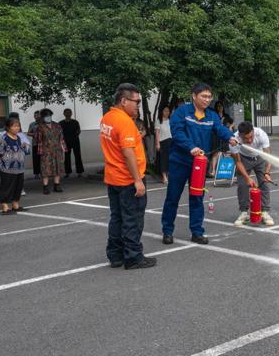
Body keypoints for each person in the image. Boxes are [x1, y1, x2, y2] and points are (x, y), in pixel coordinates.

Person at [161, 84, 237, 245]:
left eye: (209, 97)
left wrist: (230, 137)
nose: (207, 100)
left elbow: (219, 129)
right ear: (194, 96)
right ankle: (167, 231)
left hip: (200, 164)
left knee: (197, 197)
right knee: (172, 197)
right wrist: (191, 147)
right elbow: (177, 132)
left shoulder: (212, 115)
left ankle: (197, 231)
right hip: (180, 161)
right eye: (203, 96)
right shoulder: (182, 112)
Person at [99, 83, 156, 270]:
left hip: (113, 177)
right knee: (132, 218)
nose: (138, 105)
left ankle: (115, 255)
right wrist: (138, 180)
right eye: (136, 101)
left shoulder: (107, 118)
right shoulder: (124, 121)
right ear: (123, 101)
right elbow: (128, 152)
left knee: (117, 217)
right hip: (127, 179)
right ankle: (133, 257)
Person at [230, 121, 274, 227]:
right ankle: (244, 213)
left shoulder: (261, 134)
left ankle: (265, 212)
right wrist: (247, 178)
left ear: (253, 131)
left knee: (265, 183)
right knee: (242, 185)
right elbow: (237, 162)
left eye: (251, 137)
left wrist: (267, 172)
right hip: (243, 159)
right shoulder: (233, 139)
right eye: (246, 138)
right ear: (240, 135)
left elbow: (268, 156)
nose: (249, 140)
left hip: (259, 157)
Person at [0, 117, 30, 214]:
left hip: (19, 168)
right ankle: (5, 207)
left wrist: (23, 147)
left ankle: (15, 205)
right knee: (6, 187)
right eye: (14, 126)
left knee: (18, 187)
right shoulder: (3, 138)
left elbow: (21, 150)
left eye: (18, 126)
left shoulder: (18, 138)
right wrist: (0, 164)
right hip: (7, 168)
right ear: (8, 127)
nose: (17, 128)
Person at [36, 108, 65, 194]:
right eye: (46, 116)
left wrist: (63, 148)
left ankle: (57, 185)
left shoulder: (57, 125)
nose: (48, 117)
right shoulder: (40, 127)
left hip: (57, 150)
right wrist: (41, 150)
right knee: (45, 168)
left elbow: (61, 138)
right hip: (46, 151)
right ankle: (45, 186)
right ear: (42, 117)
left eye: (49, 116)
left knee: (57, 167)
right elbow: (38, 139)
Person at [59, 108, 84, 178]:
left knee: (78, 156)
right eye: (66, 112)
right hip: (65, 142)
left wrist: (75, 136)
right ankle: (67, 172)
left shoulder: (75, 122)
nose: (68, 114)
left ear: (71, 113)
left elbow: (79, 130)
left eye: (69, 112)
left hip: (75, 141)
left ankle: (80, 172)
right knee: (66, 157)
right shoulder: (61, 123)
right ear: (64, 114)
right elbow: (59, 132)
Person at [155, 105, 172, 185]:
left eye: (168, 111)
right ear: (162, 111)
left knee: (169, 159)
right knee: (163, 160)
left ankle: (168, 175)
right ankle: (164, 177)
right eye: (165, 111)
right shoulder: (159, 120)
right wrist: (157, 143)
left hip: (170, 141)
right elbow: (157, 133)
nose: (166, 112)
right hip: (162, 142)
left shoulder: (170, 120)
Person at [27, 110, 41, 181]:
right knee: (36, 159)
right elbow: (28, 133)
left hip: (44, 144)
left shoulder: (44, 123)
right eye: (35, 115)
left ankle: (44, 172)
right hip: (35, 144)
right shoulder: (32, 124)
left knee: (43, 159)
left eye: (38, 115)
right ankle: (36, 174)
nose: (36, 117)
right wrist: (34, 134)